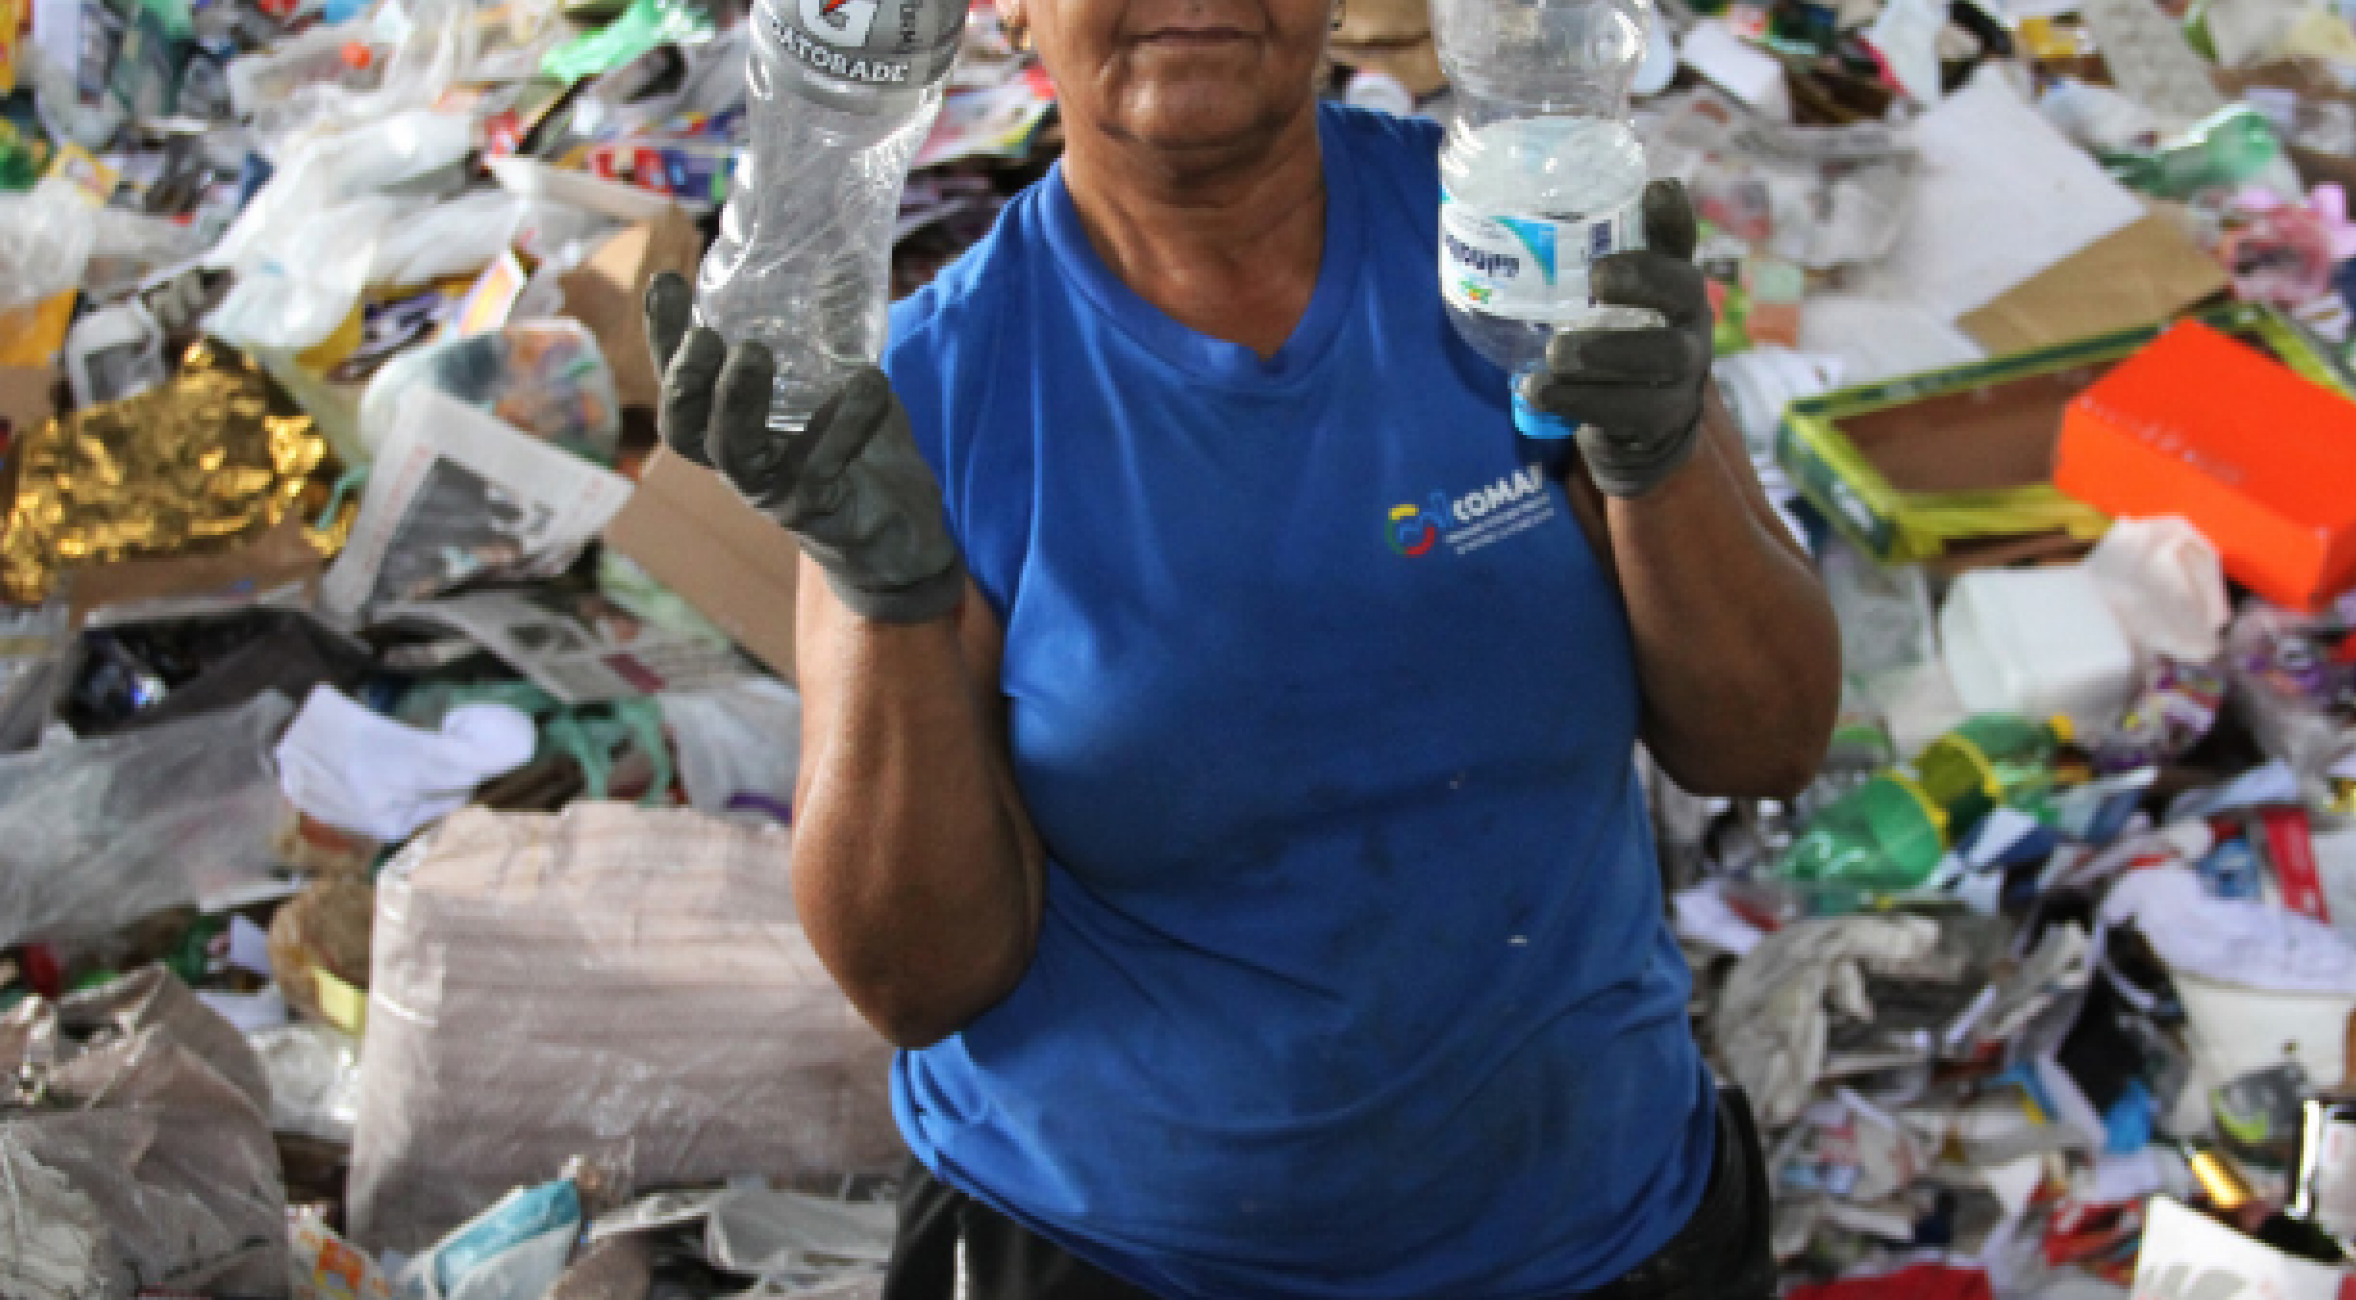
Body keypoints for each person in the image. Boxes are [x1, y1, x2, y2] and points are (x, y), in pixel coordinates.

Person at [639, 0, 1844, 1286]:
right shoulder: (930, 393)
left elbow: (1763, 741)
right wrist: (891, 603)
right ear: (1010, 12)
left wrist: (1658, 462)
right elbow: (917, 981)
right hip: (1119, 1253)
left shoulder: (1520, 256)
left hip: (1597, 1229)